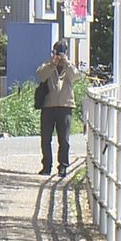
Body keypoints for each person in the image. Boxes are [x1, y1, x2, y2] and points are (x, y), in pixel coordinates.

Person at [36, 40, 79, 176]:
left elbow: (76, 77)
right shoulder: (48, 66)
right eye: (56, 53)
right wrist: (52, 64)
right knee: (45, 138)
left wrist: (66, 63)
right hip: (48, 106)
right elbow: (40, 75)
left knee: (64, 140)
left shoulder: (69, 67)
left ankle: (63, 166)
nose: (59, 56)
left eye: (61, 53)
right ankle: (46, 166)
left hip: (65, 106)